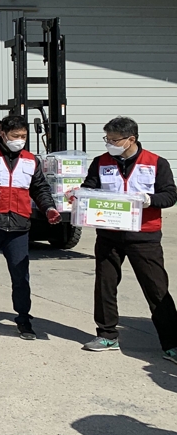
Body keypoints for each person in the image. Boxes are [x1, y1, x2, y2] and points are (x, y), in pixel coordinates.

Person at [73, 117, 177, 362]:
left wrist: (149, 199)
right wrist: (79, 195)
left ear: (131, 139)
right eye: (107, 139)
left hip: (144, 236)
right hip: (109, 234)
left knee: (156, 289)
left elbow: (170, 195)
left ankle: (172, 343)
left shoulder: (156, 163)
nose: (109, 144)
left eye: (114, 140)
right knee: (105, 284)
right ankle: (107, 335)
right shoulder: (101, 162)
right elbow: (90, 187)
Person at [0, 114, 60, 340]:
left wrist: (49, 208)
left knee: (20, 275)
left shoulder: (30, 160)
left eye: (23, 136)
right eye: (15, 135)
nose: (20, 140)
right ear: (3, 134)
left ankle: (23, 318)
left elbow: (40, 188)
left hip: (18, 227)